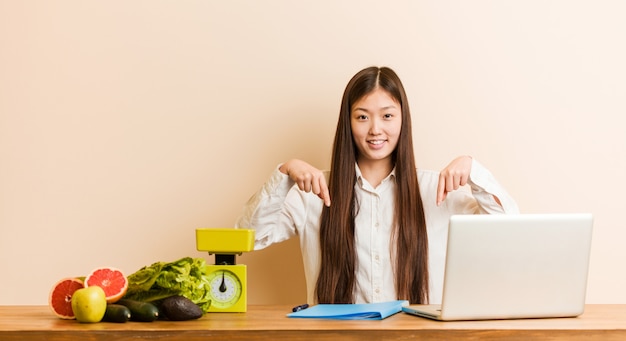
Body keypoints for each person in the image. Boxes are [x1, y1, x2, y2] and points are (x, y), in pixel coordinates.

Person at [235, 66, 519, 305]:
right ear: (347, 122)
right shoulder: (312, 194)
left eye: (387, 116)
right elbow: (248, 237)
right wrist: (285, 173)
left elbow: (509, 230)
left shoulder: (436, 191)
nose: (375, 129)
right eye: (362, 116)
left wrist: (473, 170)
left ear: (402, 119)